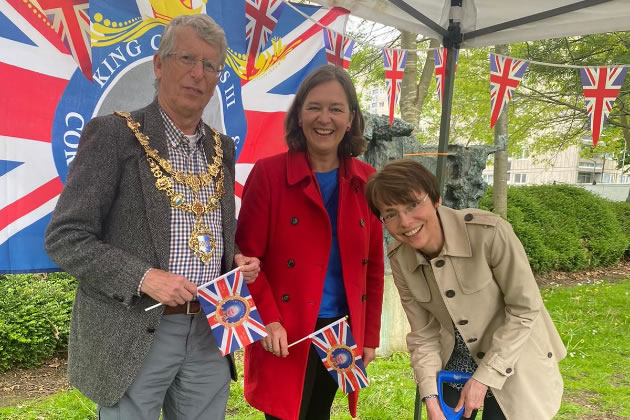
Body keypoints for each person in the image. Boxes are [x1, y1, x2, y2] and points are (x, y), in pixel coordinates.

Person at [44, 14, 260, 420]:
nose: (198, 73)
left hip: (210, 330)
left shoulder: (223, 148)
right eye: (187, 59)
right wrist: (144, 277)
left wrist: (234, 259)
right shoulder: (113, 135)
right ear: (160, 65)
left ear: (217, 78)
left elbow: (209, 230)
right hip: (134, 329)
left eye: (210, 65)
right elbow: (65, 237)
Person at [235, 64, 385, 420]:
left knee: (319, 413)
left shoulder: (368, 180)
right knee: (285, 414)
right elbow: (247, 262)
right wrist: (269, 320)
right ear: (299, 116)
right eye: (314, 107)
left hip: (342, 332)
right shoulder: (269, 174)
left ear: (351, 119)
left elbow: (374, 266)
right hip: (287, 330)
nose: (325, 118)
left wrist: (369, 335)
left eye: (336, 108)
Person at [365, 159, 566, 420]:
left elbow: (525, 310)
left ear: (435, 198)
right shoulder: (399, 257)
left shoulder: (489, 233)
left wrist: (484, 379)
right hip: (457, 362)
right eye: (390, 214)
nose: (405, 221)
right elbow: (423, 334)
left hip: (516, 358)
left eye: (413, 204)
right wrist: (430, 397)